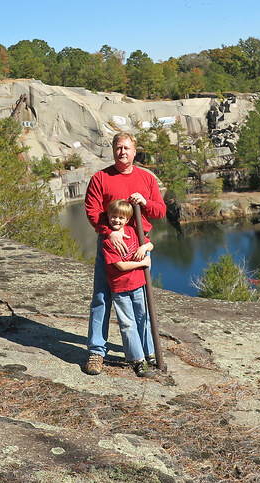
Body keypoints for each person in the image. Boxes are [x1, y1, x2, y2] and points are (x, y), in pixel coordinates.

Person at [83, 131, 165, 375]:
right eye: (119, 148)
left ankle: (145, 353)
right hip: (110, 245)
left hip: (138, 246)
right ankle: (96, 351)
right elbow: (92, 209)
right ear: (113, 150)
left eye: (127, 148)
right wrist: (109, 231)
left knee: (141, 304)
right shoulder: (101, 178)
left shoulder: (146, 178)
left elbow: (160, 211)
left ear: (135, 151)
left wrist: (145, 203)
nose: (122, 152)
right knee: (101, 297)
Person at [101, 199, 155, 377]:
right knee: (128, 324)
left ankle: (150, 353)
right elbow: (120, 266)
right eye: (113, 217)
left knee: (143, 319)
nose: (116, 220)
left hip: (138, 285)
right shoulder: (108, 241)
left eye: (121, 218)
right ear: (108, 217)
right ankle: (138, 360)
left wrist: (144, 247)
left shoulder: (133, 231)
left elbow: (150, 244)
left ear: (127, 219)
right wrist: (142, 263)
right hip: (120, 289)